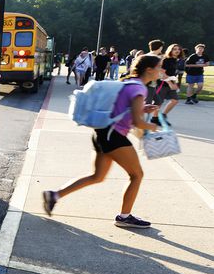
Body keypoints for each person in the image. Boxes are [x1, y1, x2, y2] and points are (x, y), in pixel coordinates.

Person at [43, 54, 163, 228]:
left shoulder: (129, 83)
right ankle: (124, 217)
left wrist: (142, 108)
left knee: (97, 176)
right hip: (113, 136)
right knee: (137, 175)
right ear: (149, 69)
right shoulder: (139, 89)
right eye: (159, 67)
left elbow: (121, 107)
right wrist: (156, 127)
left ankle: (54, 195)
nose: (161, 70)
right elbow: (138, 122)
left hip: (102, 132)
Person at [157, 44, 182, 124]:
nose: (177, 50)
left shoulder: (176, 60)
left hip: (171, 83)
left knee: (175, 100)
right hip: (163, 84)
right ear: (170, 50)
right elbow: (161, 73)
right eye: (174, 49)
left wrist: (174, 82)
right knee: (158, 103)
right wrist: (170, 83)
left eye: (178, 49)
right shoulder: (167, 60)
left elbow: (172, 73)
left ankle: (163, 116)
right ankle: (154, 119)